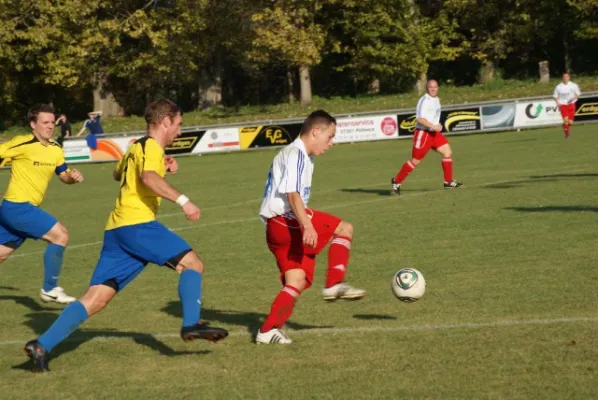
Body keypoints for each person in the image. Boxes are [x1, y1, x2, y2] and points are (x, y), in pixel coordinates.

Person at [25, 99, 228, 372]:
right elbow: (147, 178)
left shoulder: (136, 146)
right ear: (165, 121)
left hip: (116, 231)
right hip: (137, 225)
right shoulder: (151, 146)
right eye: (178, 124)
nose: (179, 131)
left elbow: (116, 172)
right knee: (192, 264)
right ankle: (191, 323)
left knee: (95, 298)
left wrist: (161, 166)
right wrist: (184, 201)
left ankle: (41, 345)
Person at [256, 110, 366, 345]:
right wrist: (307, 225)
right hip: (286, 221)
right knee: (344, 228)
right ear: (316, 131)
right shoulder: (296, 153)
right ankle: (334, 283)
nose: (331, 143)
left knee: (296, 279)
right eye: (330, 136)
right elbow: (292, 193)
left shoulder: (304, 156)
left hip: (275, 229)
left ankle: (267, 330)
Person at [0, 104, 83, 304]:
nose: (50, 126)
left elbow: (62, 175)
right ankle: (50, 288)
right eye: (45, 122)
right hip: (17, 207)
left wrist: (71, 177)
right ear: (32, 124)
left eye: (52, 122)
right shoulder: (22, 143)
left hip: (21, 210)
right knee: (60, 235)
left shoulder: (55, 148)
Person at [391, 79, 462, 194]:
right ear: (427, 88)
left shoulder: (436, 99)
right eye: (430, 87)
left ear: (438, 87)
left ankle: (448, 182)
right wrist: (432, 126)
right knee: (415, 161)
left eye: (435, 87)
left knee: (447, 151)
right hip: (423, 134)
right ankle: (396, 181)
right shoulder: (424, 100)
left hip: (433, 133)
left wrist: (436, 126)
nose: (433, 89)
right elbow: (419, 118)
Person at [553, 72, 581, 139]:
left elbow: (578, 94)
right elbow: (555, 96)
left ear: (569, 77)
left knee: (570, 123)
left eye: (566, 77)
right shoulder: (558, 86)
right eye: (564, 77)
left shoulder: (574, 85)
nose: (565, 78)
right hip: (563, 104)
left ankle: (565, 126)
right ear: (562, 78)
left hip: (571, 105)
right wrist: (557, 103)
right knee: (566, 120)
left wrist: (574, 98)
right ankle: (567, 135)